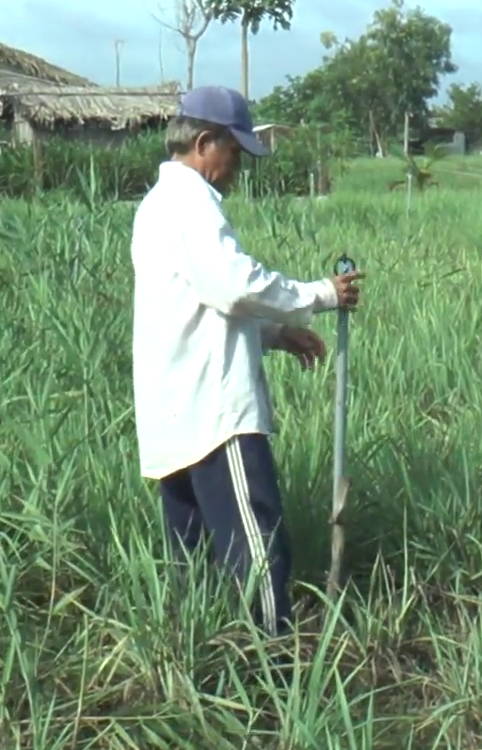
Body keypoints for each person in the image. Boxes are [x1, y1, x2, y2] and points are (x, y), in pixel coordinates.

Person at [129, 86, 363, 640]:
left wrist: (279, 334)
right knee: (256, 546)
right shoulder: (190, 203)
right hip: (215, 412)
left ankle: (202, 664)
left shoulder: (157, 205)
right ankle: (273, 673)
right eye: (234, 151)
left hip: (174, 414)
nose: (237, 166)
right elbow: (233, 287)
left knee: (193, 559)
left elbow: (199, 307)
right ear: (206, 142)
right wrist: (320, 295)